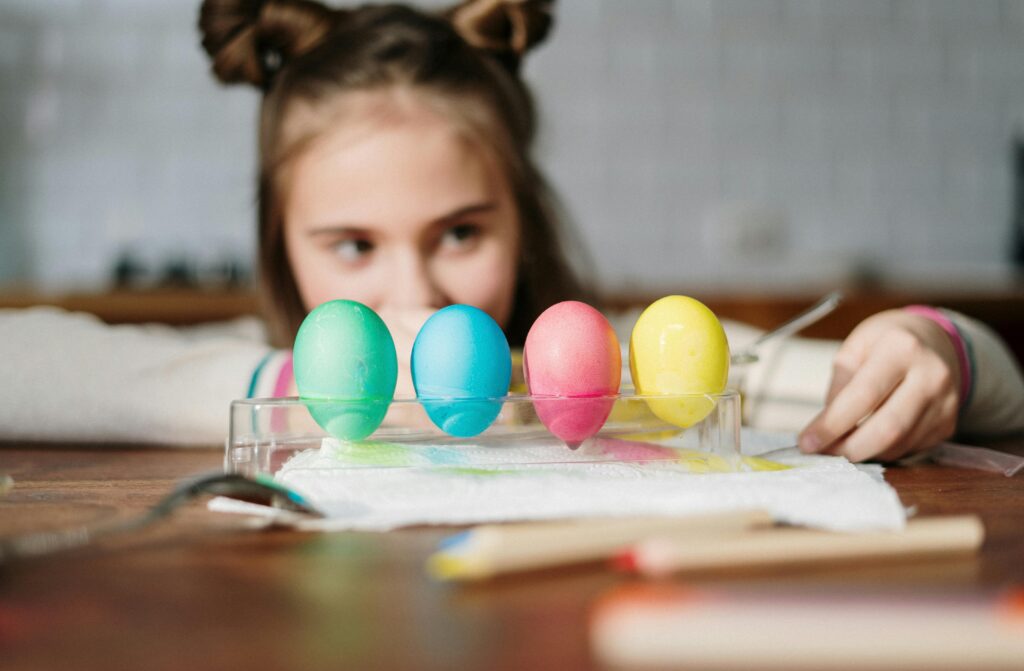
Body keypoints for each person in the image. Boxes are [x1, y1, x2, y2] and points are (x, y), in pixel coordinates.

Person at [0, 0, 1022, 462]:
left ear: (520, 218)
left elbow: (990, 385)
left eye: (458, 233)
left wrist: (936, 348)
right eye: (351, 245)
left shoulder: (615, 363)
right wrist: (289, 388)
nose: (413, 299)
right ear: (281, 245)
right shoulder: (258, 381)